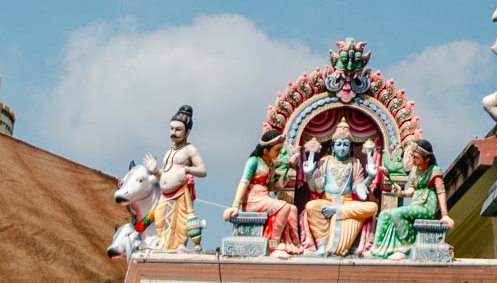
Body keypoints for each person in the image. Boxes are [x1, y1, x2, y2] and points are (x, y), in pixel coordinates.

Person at [302, 118, 379, 256]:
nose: (342, 148)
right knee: (311, 206)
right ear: (332, 147)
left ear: (350, 148)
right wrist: (308, 175)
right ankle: (323, 245)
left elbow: (358, 189)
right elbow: (316, 189)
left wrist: (370, 177)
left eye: (345, 144)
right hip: (327, 200)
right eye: (338, 144)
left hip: (347, 203)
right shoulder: (324, 161)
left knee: (372, 208)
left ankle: (337, 211)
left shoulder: (354, 163)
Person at [223, 129, 302, 257]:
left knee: (292, 209)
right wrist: (235, 206)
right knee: (285, 207)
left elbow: (269, 187)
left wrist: (278, 185)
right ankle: (273, 245)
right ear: (265, 150)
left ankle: (293, 245)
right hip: (253, 201)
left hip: (265, 199)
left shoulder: (270, 163)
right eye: (277, 149)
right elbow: (244, 183)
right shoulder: (254, 161)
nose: (279, 153)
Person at [368, 139, 448, 260]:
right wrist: (400, 193)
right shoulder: (416, 169)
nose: (413, 160)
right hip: (416, 204)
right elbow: (412, 190)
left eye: (416, 157)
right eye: (412, 156)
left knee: (397, 213)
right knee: (384, 214)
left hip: (427, 207)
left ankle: (405, 247)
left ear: (427, 159)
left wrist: (445, 215)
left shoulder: (434, 171)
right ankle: (377, 250)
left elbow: (441, 192)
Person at [147, 104, 206, 252]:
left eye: (178, 129)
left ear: (188, 132)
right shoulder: (169, 151)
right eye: (172, 129)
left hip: (181, 190)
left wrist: (186, 169)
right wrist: (155, 171)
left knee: (182, 219)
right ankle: (162, 242)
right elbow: (166, 174)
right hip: (166, 193)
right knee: (159, 216)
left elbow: (203, 170)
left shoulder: (190, 150)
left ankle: (181, 244)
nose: (173, 132)